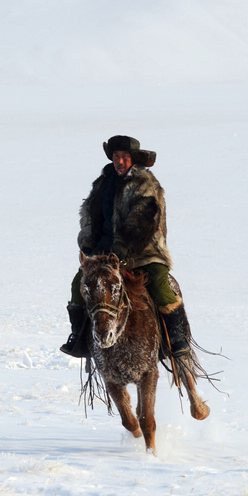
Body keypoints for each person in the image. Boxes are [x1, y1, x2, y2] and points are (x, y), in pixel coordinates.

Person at [60, 135, 192, 359]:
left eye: (124, 157)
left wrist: (122, 248)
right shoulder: (103, 183)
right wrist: (89, 242)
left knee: (159, 284)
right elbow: (90, 216)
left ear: (133, 159)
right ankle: (79, 337)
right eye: (116, 157)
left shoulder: (145, 184)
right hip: (105, 252)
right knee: (78, 285)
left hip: (144, 251)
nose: (119, 162)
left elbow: (142, 221)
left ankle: (177, 338)